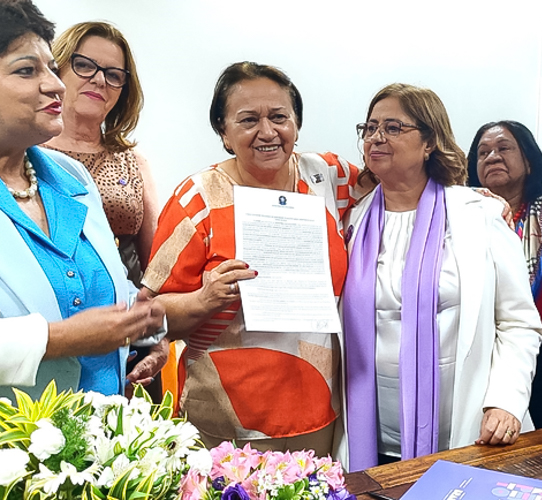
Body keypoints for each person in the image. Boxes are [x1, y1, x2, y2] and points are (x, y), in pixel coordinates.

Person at [142, 62, 360, 453]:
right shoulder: (197, 198)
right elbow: (151, 313)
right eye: (248, 120)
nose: (267, 131)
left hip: (319, 405)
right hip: (224, 417)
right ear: (223, 132)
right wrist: (203, 299)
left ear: (296, 124)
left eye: (279, 117)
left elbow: (398, 185)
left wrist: (470, 197)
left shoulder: (327, 176)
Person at [340, 83, 542, 471]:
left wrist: (505, 400)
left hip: (467, 428)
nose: (376, 138)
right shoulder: (354, 220)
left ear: (429, 141)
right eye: (369, 128)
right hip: (370, 431)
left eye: (393, 127)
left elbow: (519, 322)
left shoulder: (477, 215)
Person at [0, 0, 165, 401]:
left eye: (51, 69)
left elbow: (112, 286)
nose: (56, 84)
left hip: (103, 439)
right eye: (26, 70)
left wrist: (144, 324)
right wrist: (55, 339)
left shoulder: (70, 177)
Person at [43, 21, 166, 400]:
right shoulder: (23, 154)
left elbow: (157, 266)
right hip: (47, 328)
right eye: (85, 65)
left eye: (114, 75)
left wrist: (159, 336)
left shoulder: (132, 160)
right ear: (57, 68)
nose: (99, 80)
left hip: (128, 336)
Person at [467, 120, 542, 429]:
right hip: (481, 354)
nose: (493, 157)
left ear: (529, 160)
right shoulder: (463, 216)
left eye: (504, 148)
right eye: (483, 152)